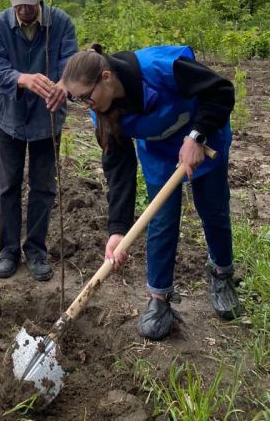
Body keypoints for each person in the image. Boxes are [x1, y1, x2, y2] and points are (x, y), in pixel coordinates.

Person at [62, 43, 241, 340]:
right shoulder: (101, 113)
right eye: (78, 99)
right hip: (160, 155)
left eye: (86, 97)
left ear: (106, 77)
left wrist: (197, 135)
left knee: (214, 211)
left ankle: (222, 275)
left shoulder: (160, 68)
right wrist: (117, 230)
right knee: (161, 220)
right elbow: (119, 171)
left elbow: (221, 91)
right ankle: (159, 298)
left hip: (204, 140)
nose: (85, 105)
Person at [0, 0, 78, 281]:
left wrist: (63, 85)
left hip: (47, 119)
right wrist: (22, 79)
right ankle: (8, 251)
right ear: (10, 0)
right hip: (9, 119)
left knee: (44, 187)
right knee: (8, 186)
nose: (24, 9)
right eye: (19, 4)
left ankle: (36, 250)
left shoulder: (61, 23)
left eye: (30, 3)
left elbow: (70, 64)